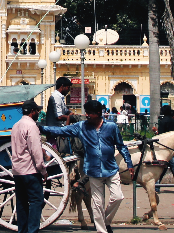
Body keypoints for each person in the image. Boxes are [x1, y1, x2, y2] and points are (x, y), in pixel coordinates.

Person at [42, 100, 133, 233]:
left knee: (118, 197)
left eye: (89, 113)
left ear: (98, 113)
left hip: (111, 169)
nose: (87, 115)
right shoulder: (81, 127)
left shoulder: (111, 127)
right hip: (93, 170)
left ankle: (105, 221)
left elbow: (121, 146)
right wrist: (41, 128)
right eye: (86, 112)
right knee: (97, 204)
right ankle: (102, 230)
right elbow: (62, 130)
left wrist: (129, 163)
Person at [11, 99, 49, 233]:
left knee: (21, 202)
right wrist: (42, 170)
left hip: (17, 170)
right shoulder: (32, 126)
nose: (38, 113)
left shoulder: (16, 125)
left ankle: (23, 230)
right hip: (30, 170)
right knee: (36, 201)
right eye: (37, 111)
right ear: (32, 112)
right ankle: (32, 230)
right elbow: (35, 150)